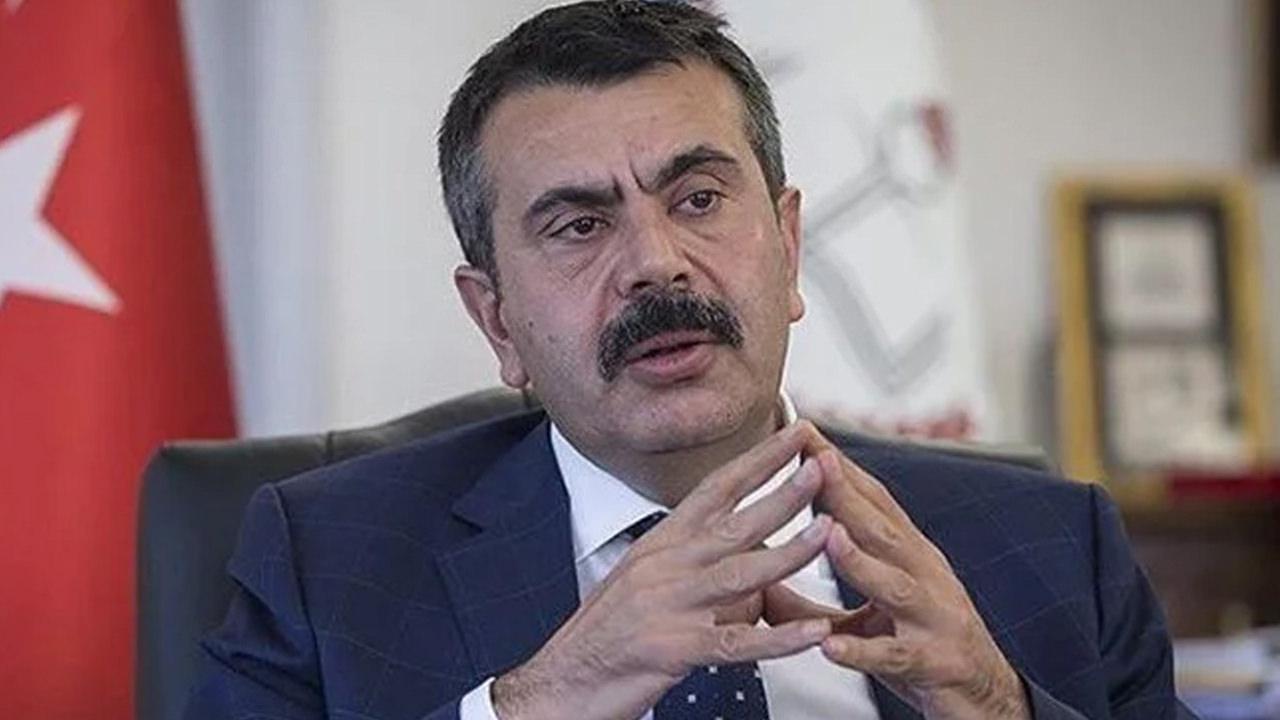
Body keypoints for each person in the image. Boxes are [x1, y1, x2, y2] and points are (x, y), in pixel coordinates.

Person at [188, 2, 1196, 719]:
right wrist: (545, 699)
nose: (655, 261)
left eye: (699, 199)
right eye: (579, 225)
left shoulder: (1049, 548)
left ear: (788, 247)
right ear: (496, 320)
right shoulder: (332, 565)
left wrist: (992, 702)